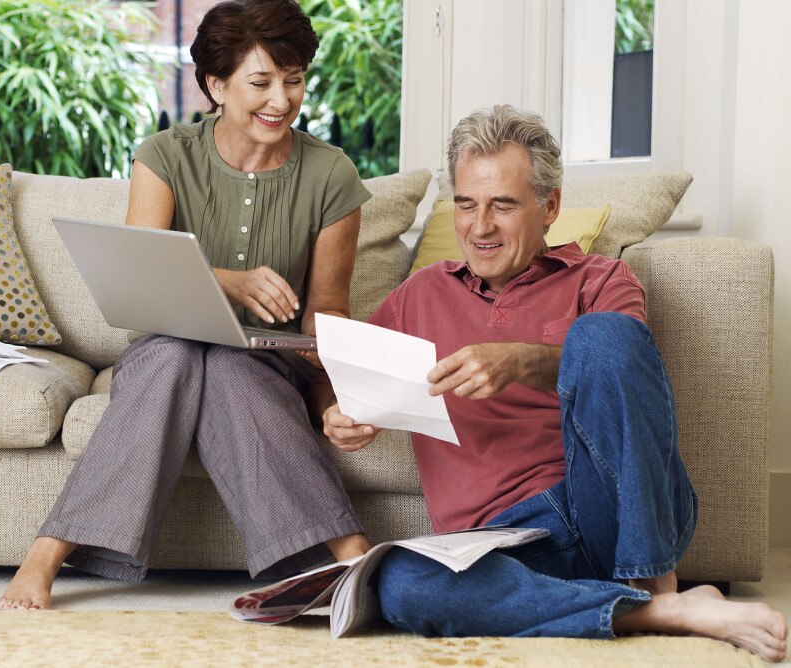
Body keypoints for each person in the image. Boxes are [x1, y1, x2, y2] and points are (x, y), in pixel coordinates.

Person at [318, 104, 788, 662]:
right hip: (500, 543)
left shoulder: (601, 279)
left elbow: (625, 371)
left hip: (605, 505)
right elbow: (340, 370)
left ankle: (653, 581)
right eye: (466, 205)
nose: (480, 226)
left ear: (550, 206)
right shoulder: (421, 294)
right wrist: (336, 409)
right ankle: (659, 611)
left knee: (602, 337)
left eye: (503, 205)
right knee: (395, 581)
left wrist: (523, 361)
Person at [0, 0, 372, 611]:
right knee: (174, 356)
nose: (281, 98)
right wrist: (230, 281)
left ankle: (347, 557)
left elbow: (325, 317)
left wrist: (334, 399)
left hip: (266, 359)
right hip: (164, 344)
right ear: (215, 84)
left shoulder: (332, 175)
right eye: (261, 81)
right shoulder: (166, 155)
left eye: (294, 79)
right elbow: (144, 281)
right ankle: (348, 550)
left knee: (229, 366)